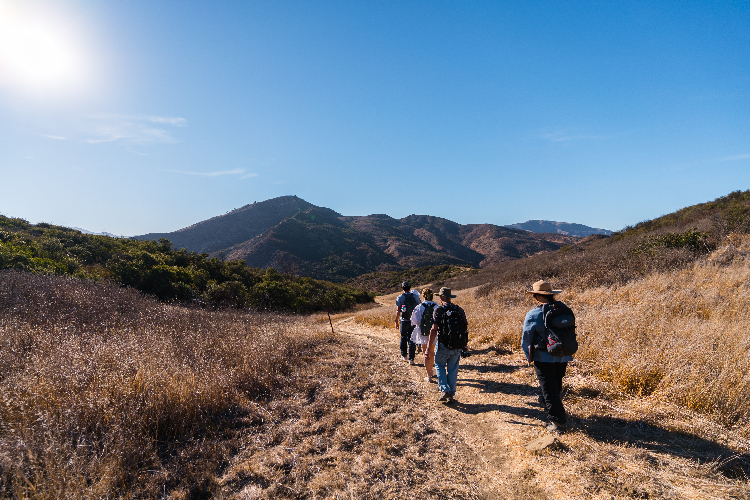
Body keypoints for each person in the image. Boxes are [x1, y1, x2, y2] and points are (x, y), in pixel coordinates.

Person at [521, 280, 574, 434]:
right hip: (564, 354)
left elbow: (526, 338)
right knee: (556, 383)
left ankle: (557, 421)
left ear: (537, 295)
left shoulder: (533, 314)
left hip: (544, 357)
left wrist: (528, 356)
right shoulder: (564, 309)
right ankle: (548, 403)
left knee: (548, 388)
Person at [427, 287, 468, 403]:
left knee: (439, 364)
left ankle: (444, 389)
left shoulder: (439, 310)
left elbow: (434, 330)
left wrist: (428, 347)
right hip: (457, 345)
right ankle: (451, 394)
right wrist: (465, 344)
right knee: (453, 369)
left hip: (443, 344)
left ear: (440, 298)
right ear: (450, 298)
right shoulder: (459, 310)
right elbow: (465, 329)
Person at [410, 288, 438, 382]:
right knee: (432, 352)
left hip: (423, 332)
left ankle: (428, 375)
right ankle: (431, 370)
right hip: (434, 332)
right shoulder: (436, 306)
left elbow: (414, 321)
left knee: (425, 353)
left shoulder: (419, 307)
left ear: (423, 296)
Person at [395, 281, 421, 364]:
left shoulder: (400, 297)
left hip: (404, 320)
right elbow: (419, 308)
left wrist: (396, 321)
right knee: (412, 339)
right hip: (413, 321)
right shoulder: (416, 297)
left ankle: (404, 355)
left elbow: (398, 310)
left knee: (403, 337)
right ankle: (411, 359)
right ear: (410, 288)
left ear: (402, 288)